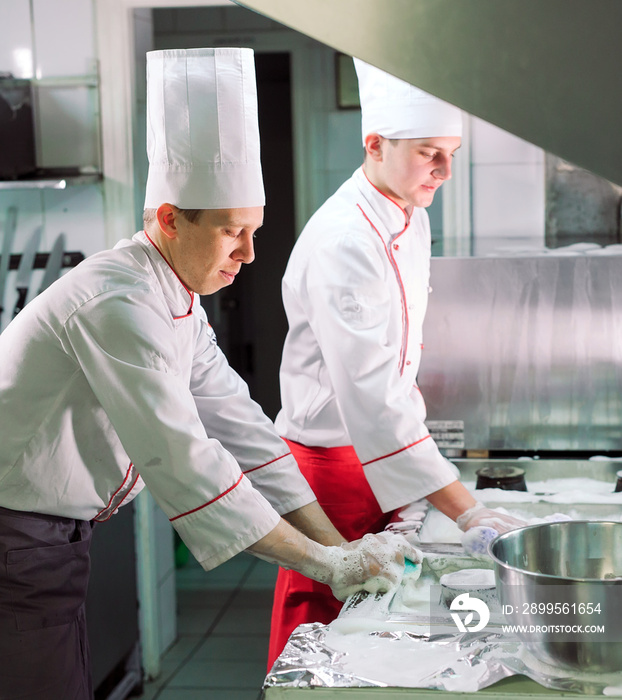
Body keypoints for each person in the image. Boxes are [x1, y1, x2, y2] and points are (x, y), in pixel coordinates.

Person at [0, 48, 418, 700]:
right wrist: (325, 562)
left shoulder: (174, 300)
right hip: (14, 537)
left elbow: (241, 426)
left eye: (253, 232)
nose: (249, 254)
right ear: (169, 218)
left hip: (53, 537)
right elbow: (189, 462)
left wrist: (341, 549)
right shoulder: (117, 304)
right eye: (232, 233)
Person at [268, 59, 525, 667]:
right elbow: (374, 395)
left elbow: (397, 366)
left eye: (452, 152)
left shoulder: (412, 216)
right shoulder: (344, 240)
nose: (445, 170)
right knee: (323, 629)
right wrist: (468, 510)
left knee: (381, 630)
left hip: (380, 457)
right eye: (429, 152)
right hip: (330, 469)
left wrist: (424, 486)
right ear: (375, 144)